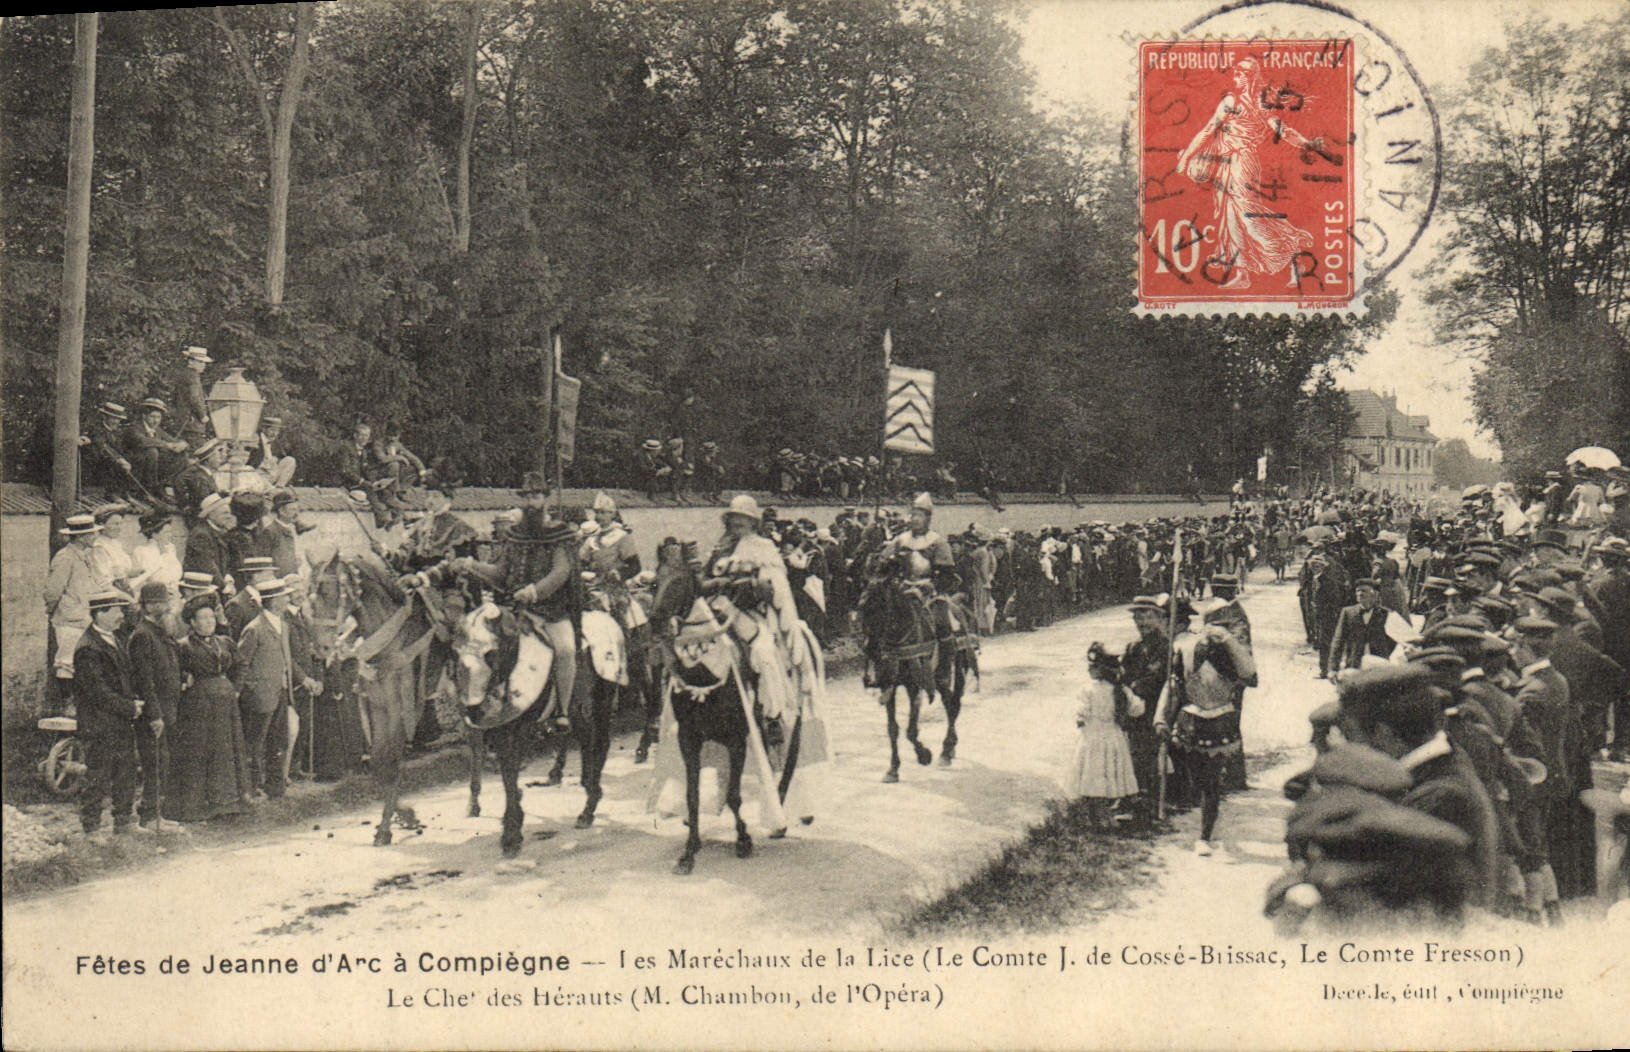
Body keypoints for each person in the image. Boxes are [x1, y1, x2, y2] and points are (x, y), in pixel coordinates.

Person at [414, 471, 580, 724]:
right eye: (527, 496)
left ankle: (563, 712)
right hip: (514, 610)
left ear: (545, 498)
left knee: (566, 649)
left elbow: (561, 572)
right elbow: (501, 574)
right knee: (480, 639)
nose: (531, 501)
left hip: (552, 609)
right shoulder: (516, 534)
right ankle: (483, 699)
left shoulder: (560, 533)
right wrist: (470, 565)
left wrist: (534, 591)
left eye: (536, 495)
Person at [1174, 55, 1320, 289]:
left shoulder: (1260, 104)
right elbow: (1208, 130)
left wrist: (1307, 144)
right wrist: (1188, 158)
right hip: (1226, 163)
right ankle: (1243, 275)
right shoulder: (1232, 101)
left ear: (1249, 78)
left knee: (1248, 217)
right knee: (1231, 218)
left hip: (1243, 162)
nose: (1235, 78)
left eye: (1240, 75)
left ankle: (1295, 251)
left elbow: (1283, 131)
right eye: (1235, 74)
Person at [1156, 597, 1256, 856]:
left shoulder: (1233, 651)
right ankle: (1190, 817)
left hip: (1219, 719)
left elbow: (1250, 675)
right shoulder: (1187, 647)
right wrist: (1161, 716)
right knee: (1197, 777)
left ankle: (1205, 835)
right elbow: (1174, 685)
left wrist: (1231, 643)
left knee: (1210, 782)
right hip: (1190, 719)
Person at [75, 591, 154, 840]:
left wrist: (132, 703)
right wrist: (129, 707)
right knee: (98, 774)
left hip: (119, 721)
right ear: (100, 614)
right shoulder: (88, 648)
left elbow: (123, 678)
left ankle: (123, 821)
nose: (121, 615)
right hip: (99, 723)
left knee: (125, 771)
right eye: (116, 611)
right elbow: (98, 692)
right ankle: (92, 828)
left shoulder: (114, 638)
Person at [171, 596, 251, 820]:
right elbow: (174, 670)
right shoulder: (183, 646)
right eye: (202, 618)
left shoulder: (225, 642)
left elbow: (242, 663)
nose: (208, 622)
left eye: (211, 617)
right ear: (192, 623)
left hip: (226, 703)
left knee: (226, 749)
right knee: (202, 749)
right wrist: (186, 678)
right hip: (199, 704)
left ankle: (227, 802)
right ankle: (199, 805)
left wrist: (236, 687)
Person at [232, 578, 298, 800]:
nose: (288, 599)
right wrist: (241, 692)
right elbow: (242, 663)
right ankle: (250, 788)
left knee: (278, 740)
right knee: (254, 743)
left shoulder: (284, 626)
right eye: (284, 596)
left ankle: (275, 786)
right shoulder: (254, 629)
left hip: (280, 692)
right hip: (259, 696)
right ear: (274, 601)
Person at [127, 583, 184, 833]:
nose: (165, 606)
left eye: (165, 601)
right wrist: (155, 715)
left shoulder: (161, 632)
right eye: (159, 602)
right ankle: (149, 817)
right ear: (147, 606)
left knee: (162, 762)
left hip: (167, 710)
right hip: (155, 714)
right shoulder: (142, 635)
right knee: (155, 764)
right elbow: (144, 680)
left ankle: (156, 815)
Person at [1067, 643, 1140, 831]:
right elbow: (1138, 709)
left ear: (1102, 670)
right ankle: (1106, 816)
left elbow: (1081, 712)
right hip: (1114, 738)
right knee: (1109, 776)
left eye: (1092, 666)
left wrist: (1081, 720)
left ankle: (1098, 818)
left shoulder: (1088, 690)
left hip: (1093, 739)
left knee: (1095, 776)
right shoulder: (1120, 690)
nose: (1089, 669)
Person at [44, 514, 106, 703]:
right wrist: (56, 611)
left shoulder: (86, 556)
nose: (94, 537)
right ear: (80, 537)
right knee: (67, 661)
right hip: (69, 618)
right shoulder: (65, 557)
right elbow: (53, 590)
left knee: (83, 661)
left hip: (84, 617)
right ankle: (66, 703)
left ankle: (80, 704)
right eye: (90, 534)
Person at [1327, 578, 1402, 676]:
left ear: (1374, 594)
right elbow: (1338, 641)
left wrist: (1386, 654)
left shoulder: (1386, 614)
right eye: (1358, 591)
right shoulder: (1348, 612)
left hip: (1378, 664)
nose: (1360, 594)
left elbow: (1396, 639)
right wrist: (1332, 669)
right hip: (1354, 664)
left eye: (1364, 591)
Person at [125, 397, 189, 494]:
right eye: (152, 417)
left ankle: (165, 485)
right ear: (144, 416)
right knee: (152, 451)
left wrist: (183, 444)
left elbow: (173, 440)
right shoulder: (135, 427)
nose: (156, 421)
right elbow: (143, 441)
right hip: (133, 462)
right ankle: (148, 489)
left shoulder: (157, 429)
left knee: (181, 455)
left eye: (158, 417)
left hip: (152, 463)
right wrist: (167, 445)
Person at [183, 493, 237, 593]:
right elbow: (208, 566)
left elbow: (225, 561)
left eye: (229, 513)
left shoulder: (219, 531)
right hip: (200, 589)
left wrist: (228, 579)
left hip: (215, 586)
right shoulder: (201, 534)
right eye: (224, 513)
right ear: (211, 515)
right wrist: (224, 587)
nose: (229, 517)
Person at [128, 509, 184, 600]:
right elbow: (147, 579)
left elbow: (176, 574)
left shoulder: (170, 548)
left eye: (170, 531)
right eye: (166, 532)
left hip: (174, 594)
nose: (170, 535)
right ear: (155, 535)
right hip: (153, 597)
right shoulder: (141, 551)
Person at [173, 438, 228, 526]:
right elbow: (206, 504)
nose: (221, 460)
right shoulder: (200, 478)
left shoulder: (204, 474)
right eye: (217, 457)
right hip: (200, 521)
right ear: (207, 460)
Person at [89, 502, 138, 596]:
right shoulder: (98, 547)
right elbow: (104, 583)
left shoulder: (116, 544)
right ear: (102, 525)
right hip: (111, 596)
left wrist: (136, 572)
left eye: (120, 524)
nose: (119, 528)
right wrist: (128, 598)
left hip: (124, 589)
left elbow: (123, 571)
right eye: (115, 524)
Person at [171, 344, 213, 445]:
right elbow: (194, 398)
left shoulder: (184, 374)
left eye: (204, 362)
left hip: (183, 420)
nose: (203, 365)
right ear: (190, 361)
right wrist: (203, 415)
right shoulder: (193, 376)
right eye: (200, 362)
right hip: (192, 422)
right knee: (197, 450)